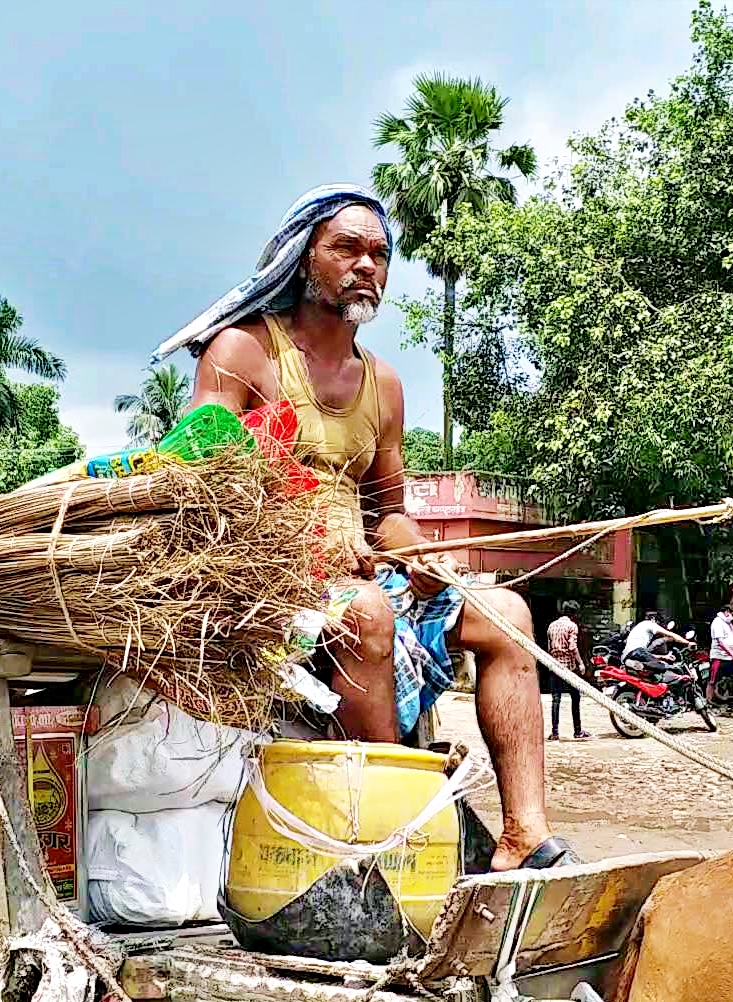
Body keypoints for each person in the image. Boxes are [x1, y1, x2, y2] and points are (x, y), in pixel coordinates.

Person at [159, 184, 573, 871]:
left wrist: (418, 556)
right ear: (302, 259)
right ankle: (403, 826)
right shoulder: (241, 353)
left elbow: (390, 514)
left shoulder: (383, 383)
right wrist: (302, 541)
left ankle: (523, 835)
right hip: (266, 583)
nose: (366, 266)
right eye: (346, 248)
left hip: (359, 575)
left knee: (504, 612)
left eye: (380, 254)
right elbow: (200, 475)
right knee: (369, 613)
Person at [544, 601, 588, 740]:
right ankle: (577, 731)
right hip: (569, 667)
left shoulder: (552, 626)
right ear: (573, 614)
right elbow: (572, 647)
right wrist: (580, 663)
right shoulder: (572, 626)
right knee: (575, 698)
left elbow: (550, 648)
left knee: (556, 699)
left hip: (555, 666)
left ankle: (555, 732)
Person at [709, 602, 733, 696]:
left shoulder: (728, 623)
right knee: (712, 681)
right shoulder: (717, 622)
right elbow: (721, 642)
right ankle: (707, 705)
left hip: (730, 658)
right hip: (719, 657)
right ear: (727, 612)